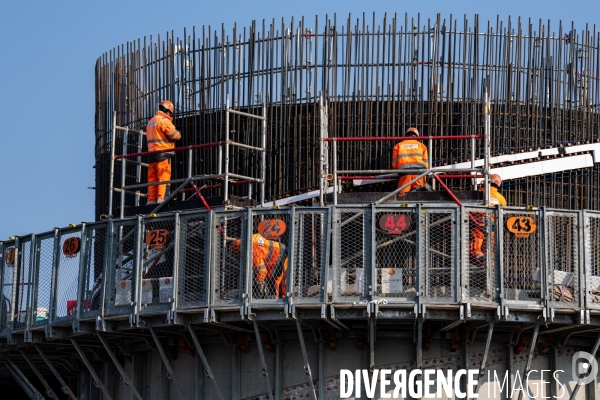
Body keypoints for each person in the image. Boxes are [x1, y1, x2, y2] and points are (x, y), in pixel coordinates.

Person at [146, 100, 181, 205]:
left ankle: (151, 201)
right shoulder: (164, 121)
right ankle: (162, 200)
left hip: (151, 155)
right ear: (168, 111)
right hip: (163, 154)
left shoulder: (151, 121)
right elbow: (174, 135)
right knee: (163, 177)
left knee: (152, 179)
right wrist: (179, 133)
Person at [232, 233, 288, 299]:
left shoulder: (252, 251)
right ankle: (283, 298)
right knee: (283, 281)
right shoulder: (252, 237)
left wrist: (258, 282)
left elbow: (262, 271)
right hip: (281, 249)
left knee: (276, 280)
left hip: (278, 256)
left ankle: (277, 299)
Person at [470, 174, 507, 261]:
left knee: (476, 245)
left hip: (476, 225)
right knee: (490, 247)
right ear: (498, 183)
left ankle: (478, 258)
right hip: (492, 226)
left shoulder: (479, 193)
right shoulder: (500, 198)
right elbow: (503, 211)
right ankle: (490, 263)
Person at [391, 127, 429, 193]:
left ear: (406, 135)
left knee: (403, 195)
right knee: (418, 194)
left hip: (404, 173)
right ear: (417, 136)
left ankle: (404, 203)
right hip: (419, 173)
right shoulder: (422, 146)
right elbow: (426, 164)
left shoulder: (398, 145)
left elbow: (394, 165)